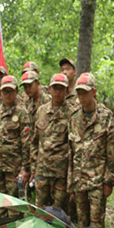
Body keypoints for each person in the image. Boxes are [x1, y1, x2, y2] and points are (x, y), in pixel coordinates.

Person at [67, 73, 114, 228]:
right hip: (79, 180)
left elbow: (112, 152)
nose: (81, 96)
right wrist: (70, 181)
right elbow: (71, 152)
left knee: (96, 225)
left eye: (85, 92)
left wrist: (109, 181)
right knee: (81, 224)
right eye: (79, 93)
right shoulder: (74, 117)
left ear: (94, 92)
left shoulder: (105, 116)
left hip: (97, 180)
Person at [0, 76, 31, 218]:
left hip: (14, 168)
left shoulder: (22, 113)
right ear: (0, 92)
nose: (7, 94)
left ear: (17, 92)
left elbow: (26, 143)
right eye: (4, 91)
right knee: (1, 204)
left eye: (10, 91)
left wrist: (25, 168)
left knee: (14, 205)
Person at [31, 73, 74, 211]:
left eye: (61, 89)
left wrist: (71, 175)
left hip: (61, 172)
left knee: (58, 211)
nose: (58, 92)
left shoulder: (72, 113)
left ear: (67, 90)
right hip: (42, 170)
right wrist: (33, 167)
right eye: (55, 88)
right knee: (40, 209)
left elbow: (74, 146)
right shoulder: (41, 111)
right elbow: (34, 141)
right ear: (49, 89)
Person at [21, 70, 51, 202]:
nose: (27, 89)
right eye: (25, 86)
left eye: (30, 85)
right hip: (29, 153)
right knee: (29, 195)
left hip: (46, 156)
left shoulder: (48, 101)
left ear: (37, 83)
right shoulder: (26, 103)